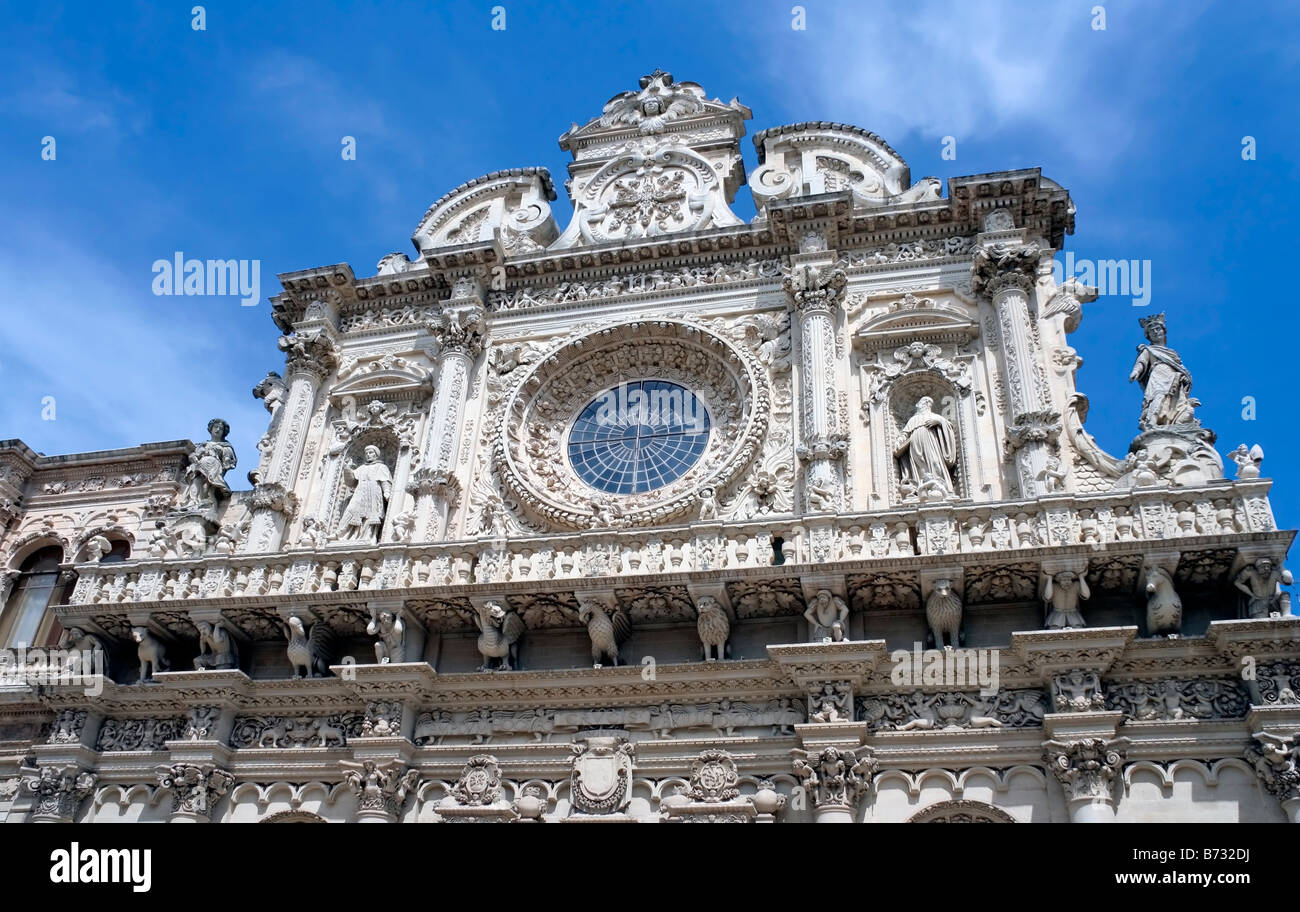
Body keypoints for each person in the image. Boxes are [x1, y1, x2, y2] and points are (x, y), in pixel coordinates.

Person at [337, 445, 392, 542]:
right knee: (352, 509)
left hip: (374, 492)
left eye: (371, 453)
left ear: (376, 454)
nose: (368, 455)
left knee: (371, 514)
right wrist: (347, 468)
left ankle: (369, 536)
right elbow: (351, 482)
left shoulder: (381, 467)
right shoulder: (361, 468)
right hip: (360, 492)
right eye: (366, 453)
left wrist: (387, 492)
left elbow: (385, 480)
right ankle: (344, 534)